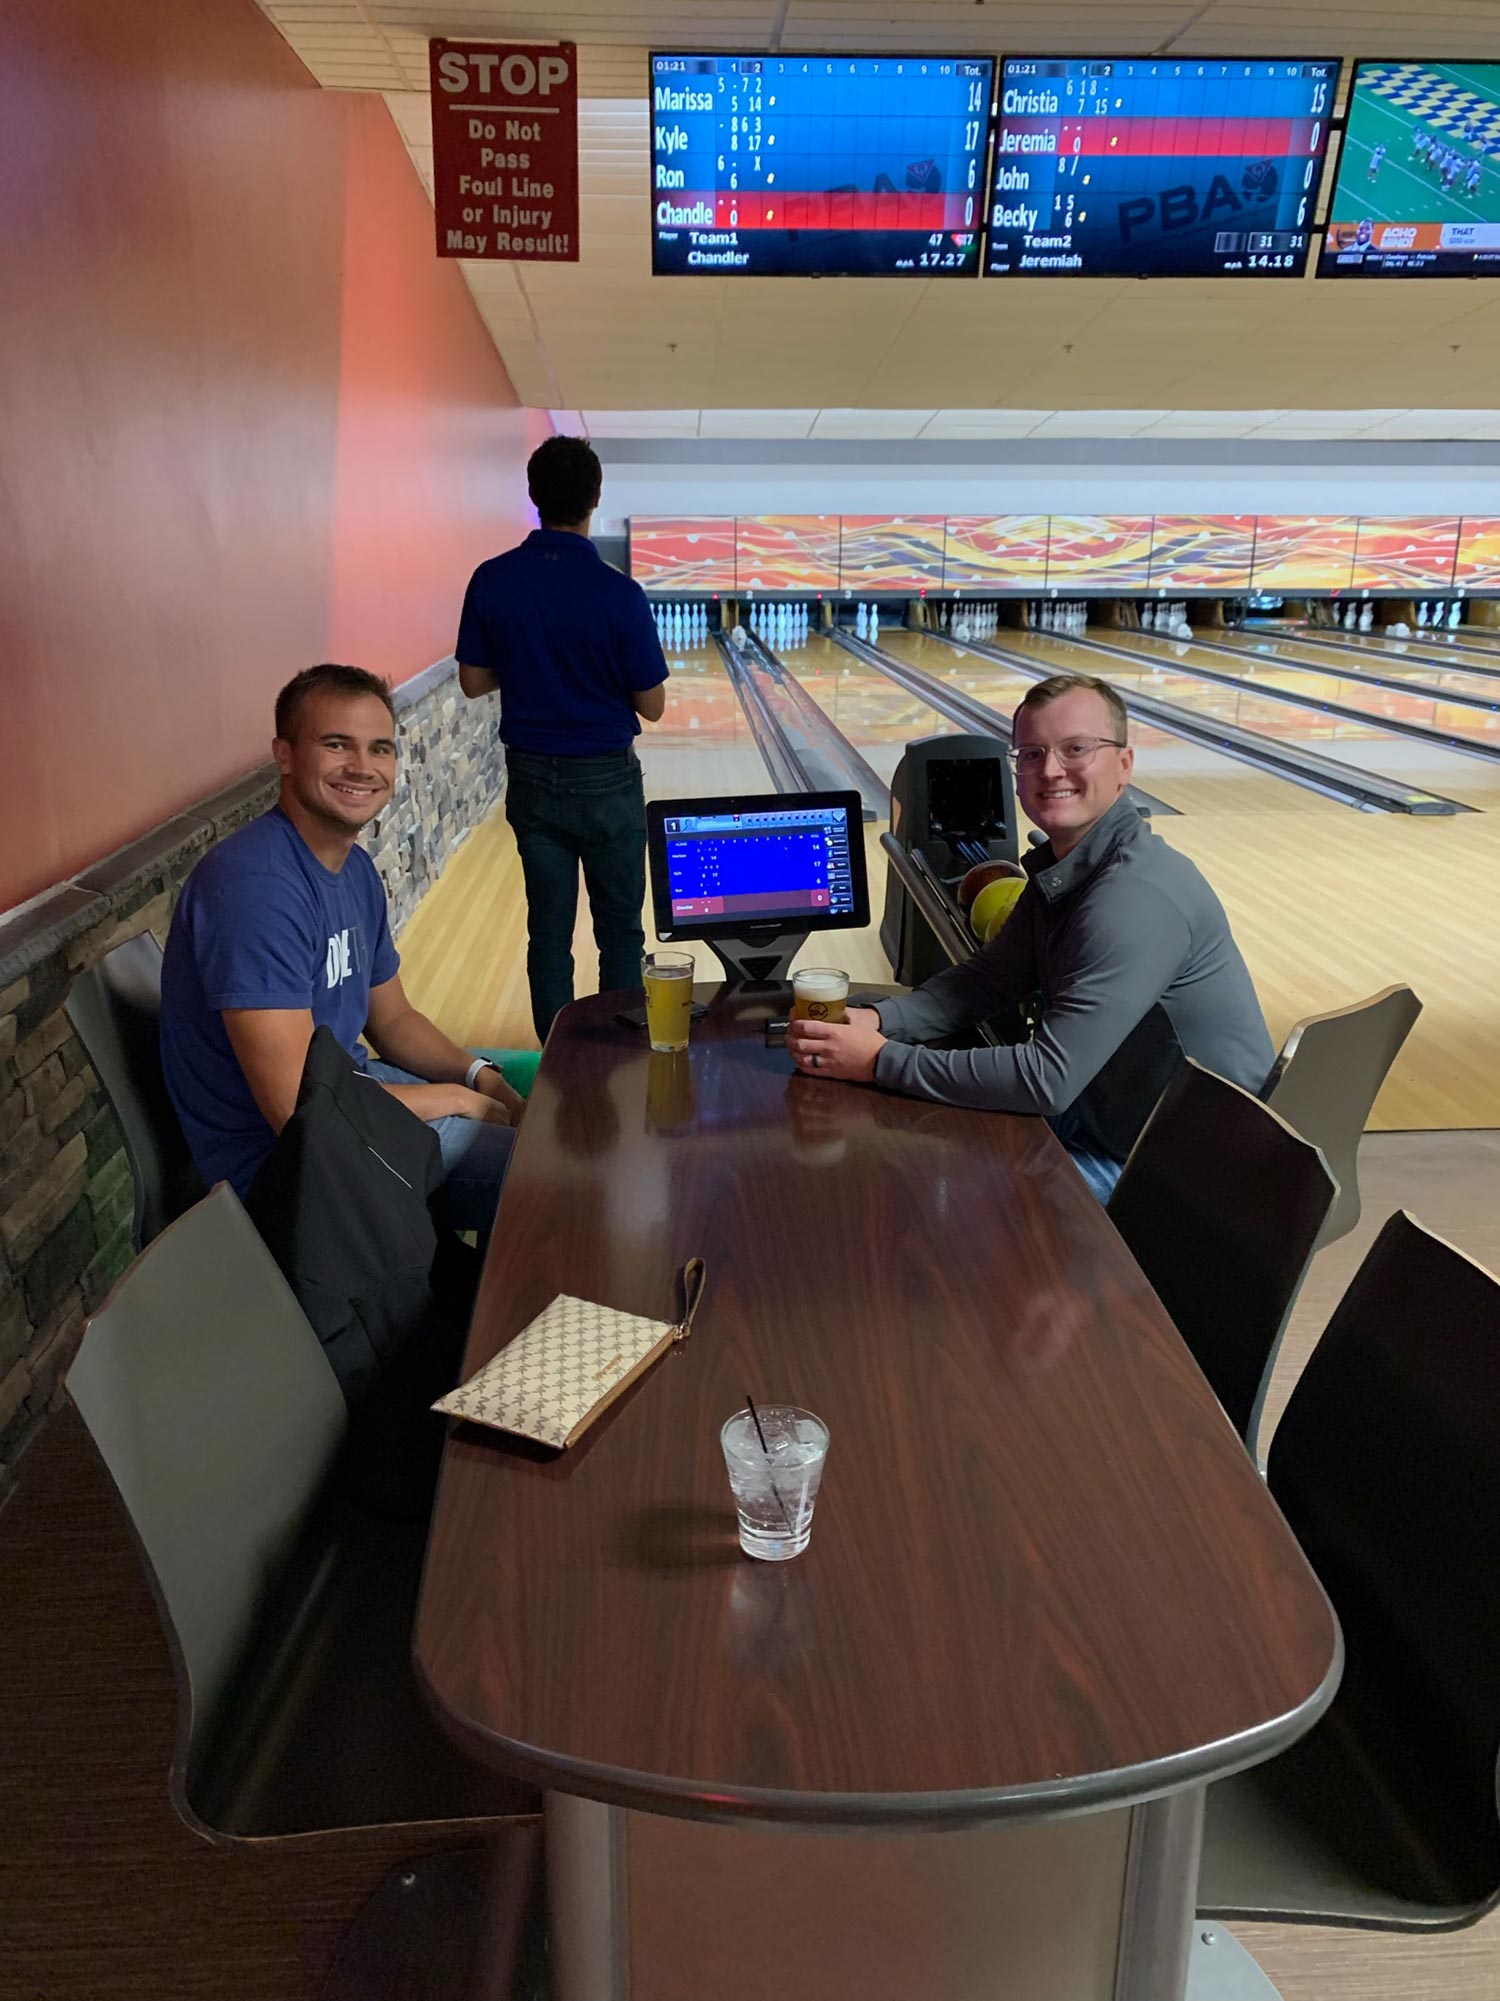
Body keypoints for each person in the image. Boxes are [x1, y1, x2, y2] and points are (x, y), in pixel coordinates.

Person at [786, 672, 1274, 1202]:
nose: (1051, 770)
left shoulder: (1133, 898)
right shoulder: (1070, 871)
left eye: (1076, 749)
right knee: (917, 1152)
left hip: (1182, 1178)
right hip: (1116, 1123)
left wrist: (880, 1060)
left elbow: (1047, 1078)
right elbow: (986, 981)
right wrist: (883, 1019)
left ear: (1124, 766)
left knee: (938, 1201)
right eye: (1033, 754)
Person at [161, 664, 529, 1233]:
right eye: (337, 745)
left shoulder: (352, 868)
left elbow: (395, 1018)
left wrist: (477, 1073)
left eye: (380, 748)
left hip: (351, 1104)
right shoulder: (254, 889)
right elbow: (296, 1111)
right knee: (551, 1178)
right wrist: (451, 1100)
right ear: (284, 755)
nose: (363, 767)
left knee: (543, 1104)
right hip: (291, 1173)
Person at [457, 435, 669, 1042]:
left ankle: (557, 1058)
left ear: (533, 497)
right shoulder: (618, 592)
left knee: (548, 930)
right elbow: (651, 707)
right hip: (607, 782)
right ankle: (622, 1049)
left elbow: (473, 681)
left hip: (533, 781)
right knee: (621, 931)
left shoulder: (492, 579)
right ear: (595, 499)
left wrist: (528, 666)